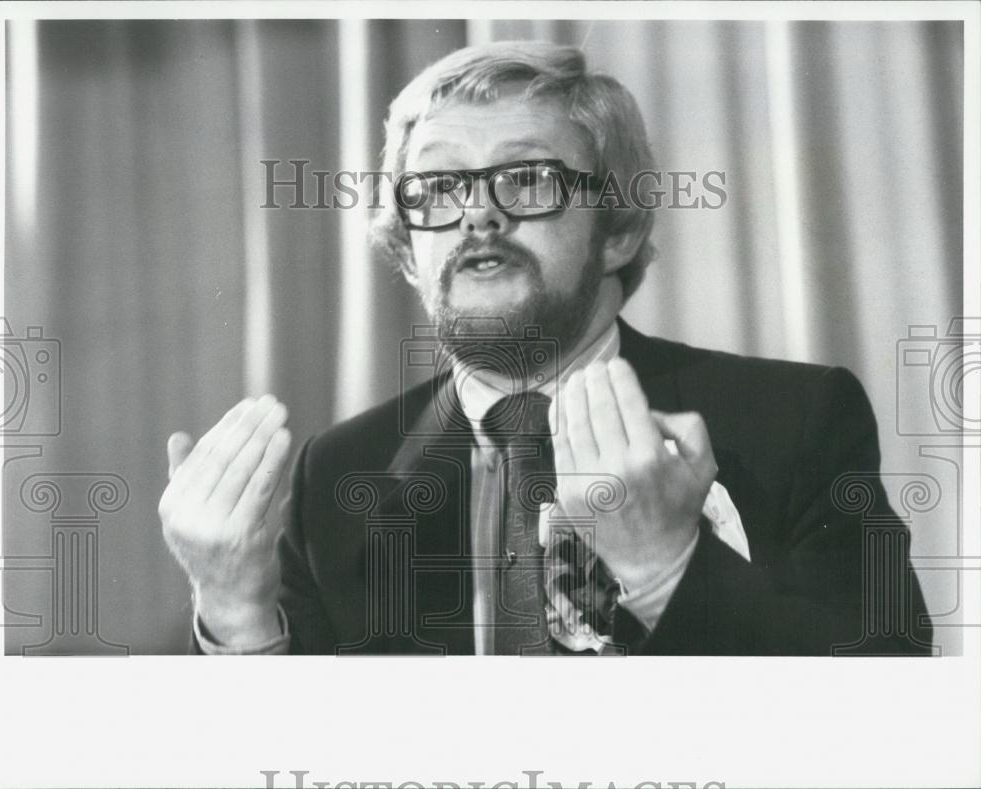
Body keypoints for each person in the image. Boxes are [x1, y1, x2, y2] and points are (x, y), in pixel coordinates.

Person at [157, 41, 933, 655]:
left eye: (527, 179)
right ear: (404, 251)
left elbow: (894, 718)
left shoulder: (792, 419)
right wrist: (235, 609)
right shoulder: (336, 473)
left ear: (621, 228)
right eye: (438, 189)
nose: (478, 218)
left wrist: (668, 571)